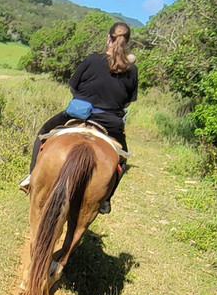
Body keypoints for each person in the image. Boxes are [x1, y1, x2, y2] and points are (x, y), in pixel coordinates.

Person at [19, 21, 137, 213]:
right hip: (110, 122)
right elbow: (127, 103)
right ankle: (105, 200)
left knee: (42, 134)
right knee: (122, 161)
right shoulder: (132, 70)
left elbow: (73, 85)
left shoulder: (91, 60)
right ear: (128, 42)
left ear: (108, 38)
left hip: (79, 112)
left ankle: (32, 177)